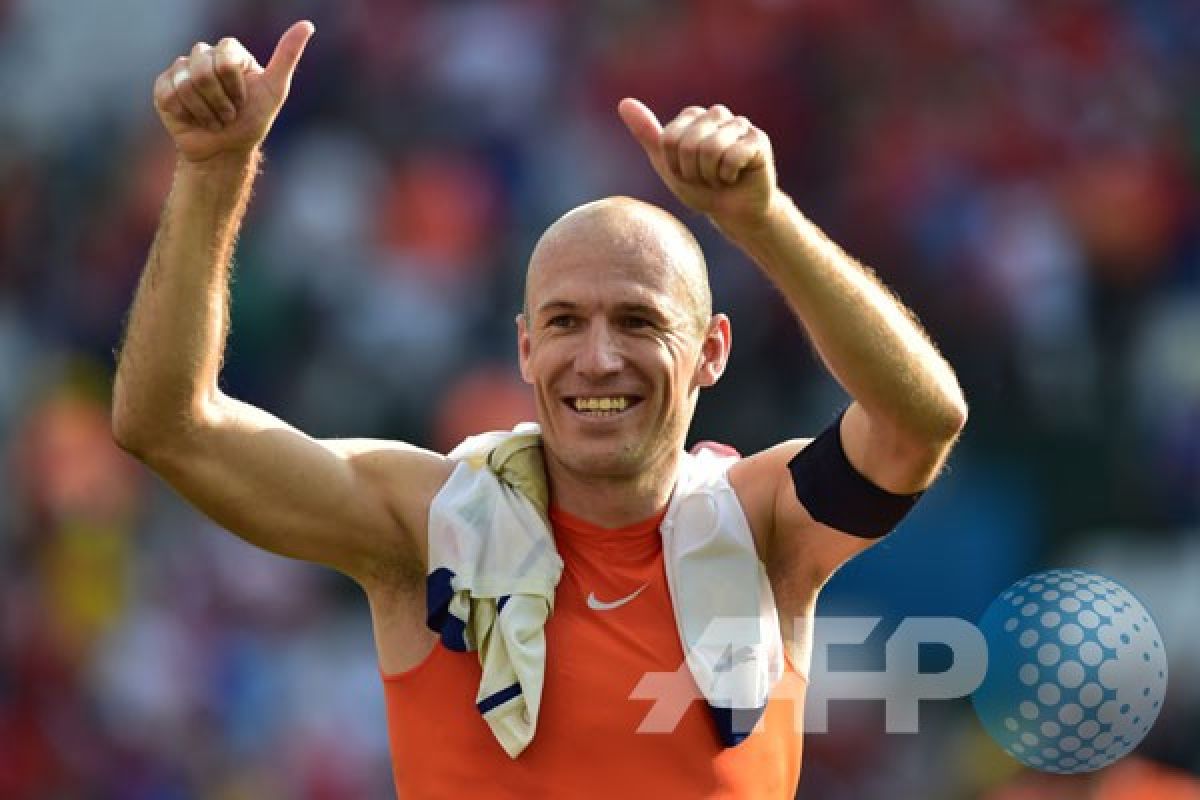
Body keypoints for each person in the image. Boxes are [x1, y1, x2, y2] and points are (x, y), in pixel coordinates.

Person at [113, 19, 967, 800]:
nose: (598, 357)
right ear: (526, 350)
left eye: (638, 321)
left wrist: (764, 219)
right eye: (565, 322)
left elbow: (919, 421)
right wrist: (213, 169)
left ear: (712, 351)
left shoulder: (764, 527)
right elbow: (171, 425)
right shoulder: (426, 525)